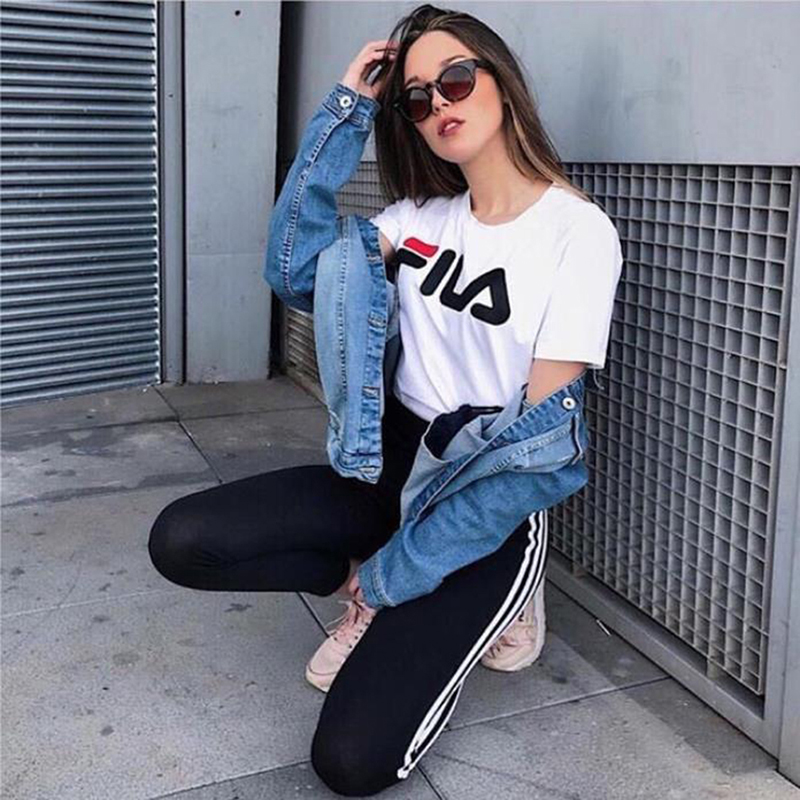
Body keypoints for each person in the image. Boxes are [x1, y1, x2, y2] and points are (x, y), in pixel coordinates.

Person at [147, 4, 623, 796]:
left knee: (351, 763)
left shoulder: (576, 232)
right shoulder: (415, 219)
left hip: (483, 493)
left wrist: (398, 574)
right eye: (416, 97)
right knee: (183, 540)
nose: (439, 105)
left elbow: (540, 453)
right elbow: (293, 268)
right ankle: (369, 584)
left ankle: (492, 596)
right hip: (384, 467)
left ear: (501, 81)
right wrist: (347, 109)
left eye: (456, 79)